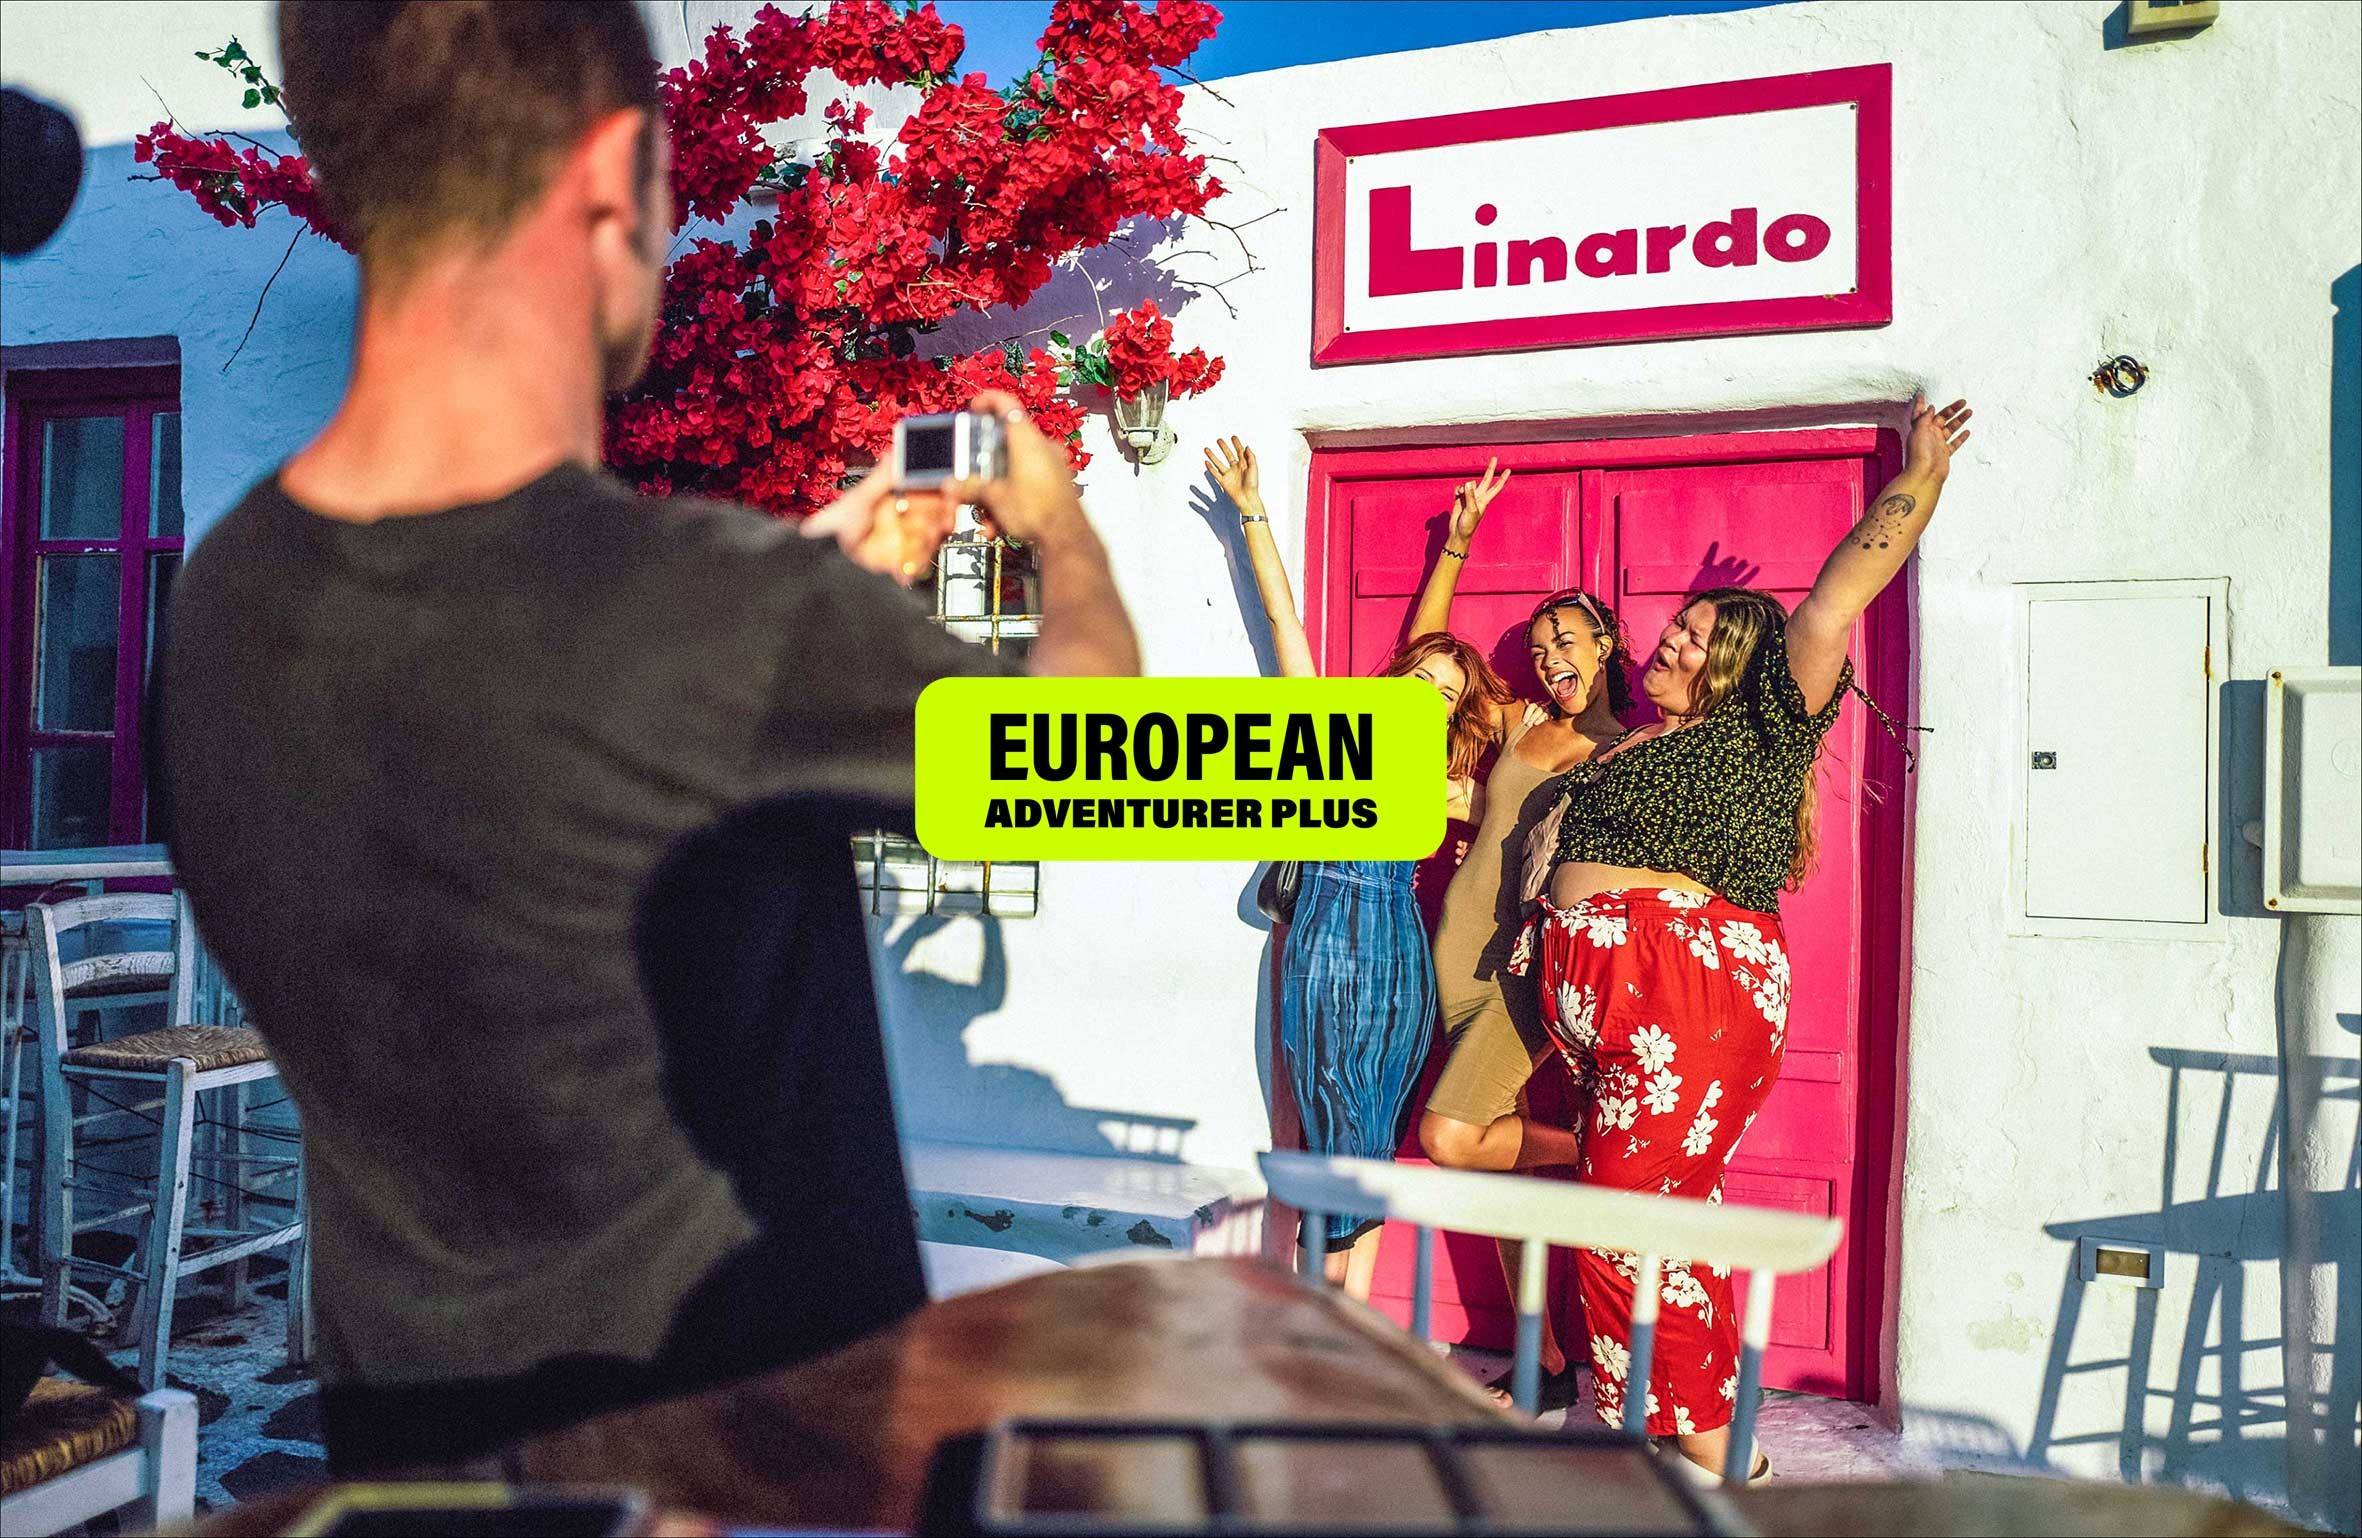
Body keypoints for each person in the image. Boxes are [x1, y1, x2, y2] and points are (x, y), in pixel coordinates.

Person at [152, 0, 1136, 1472]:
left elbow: (545, 725)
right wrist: (1062, 539)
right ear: (612, 175)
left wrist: (801, 595)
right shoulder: (726, 622)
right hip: (742, 1474)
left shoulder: (218, 608)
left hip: (408, 1461)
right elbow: (1105, 750)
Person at [1515, 394, 1970, 1479]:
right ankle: (1685, 1430)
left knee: (1626, 1221)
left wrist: (1923, 472)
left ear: (1737, 672)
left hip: (1687, 994)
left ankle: (1717, 1455)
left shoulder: (1762, 731)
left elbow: (1837, 592)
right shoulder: (1627, 747)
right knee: (1658, 1219)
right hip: (1623, 1011)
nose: (1668, 637)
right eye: (1674, 626)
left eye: (1694, 637)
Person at [1204, 436, 1508, 1301]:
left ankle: (1349, 1319)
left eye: (1448, 695)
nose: (1429, 697)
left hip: (1396, 951)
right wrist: (1251, 512)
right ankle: (1288, 1311)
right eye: (1423, 680)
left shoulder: (1448, 786)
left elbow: (1522, 819)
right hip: (1323, 935)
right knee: (1304, 1132)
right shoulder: (1338, 740)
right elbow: (1285, 624)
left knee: (1370, 1138)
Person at [1395, 462, 1635, 1408]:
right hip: (1448, 965)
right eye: (1539, 649)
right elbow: (1424, 658)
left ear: (1608, 641)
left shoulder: (1627, 749)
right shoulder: (1522, 725)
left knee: (1453, 1139)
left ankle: (1588, 1147)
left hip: (1519, 978)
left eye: (1566, 641)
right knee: (1499, 1174)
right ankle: (1545, 1368)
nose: (1549, 659)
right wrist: (1457, 539)